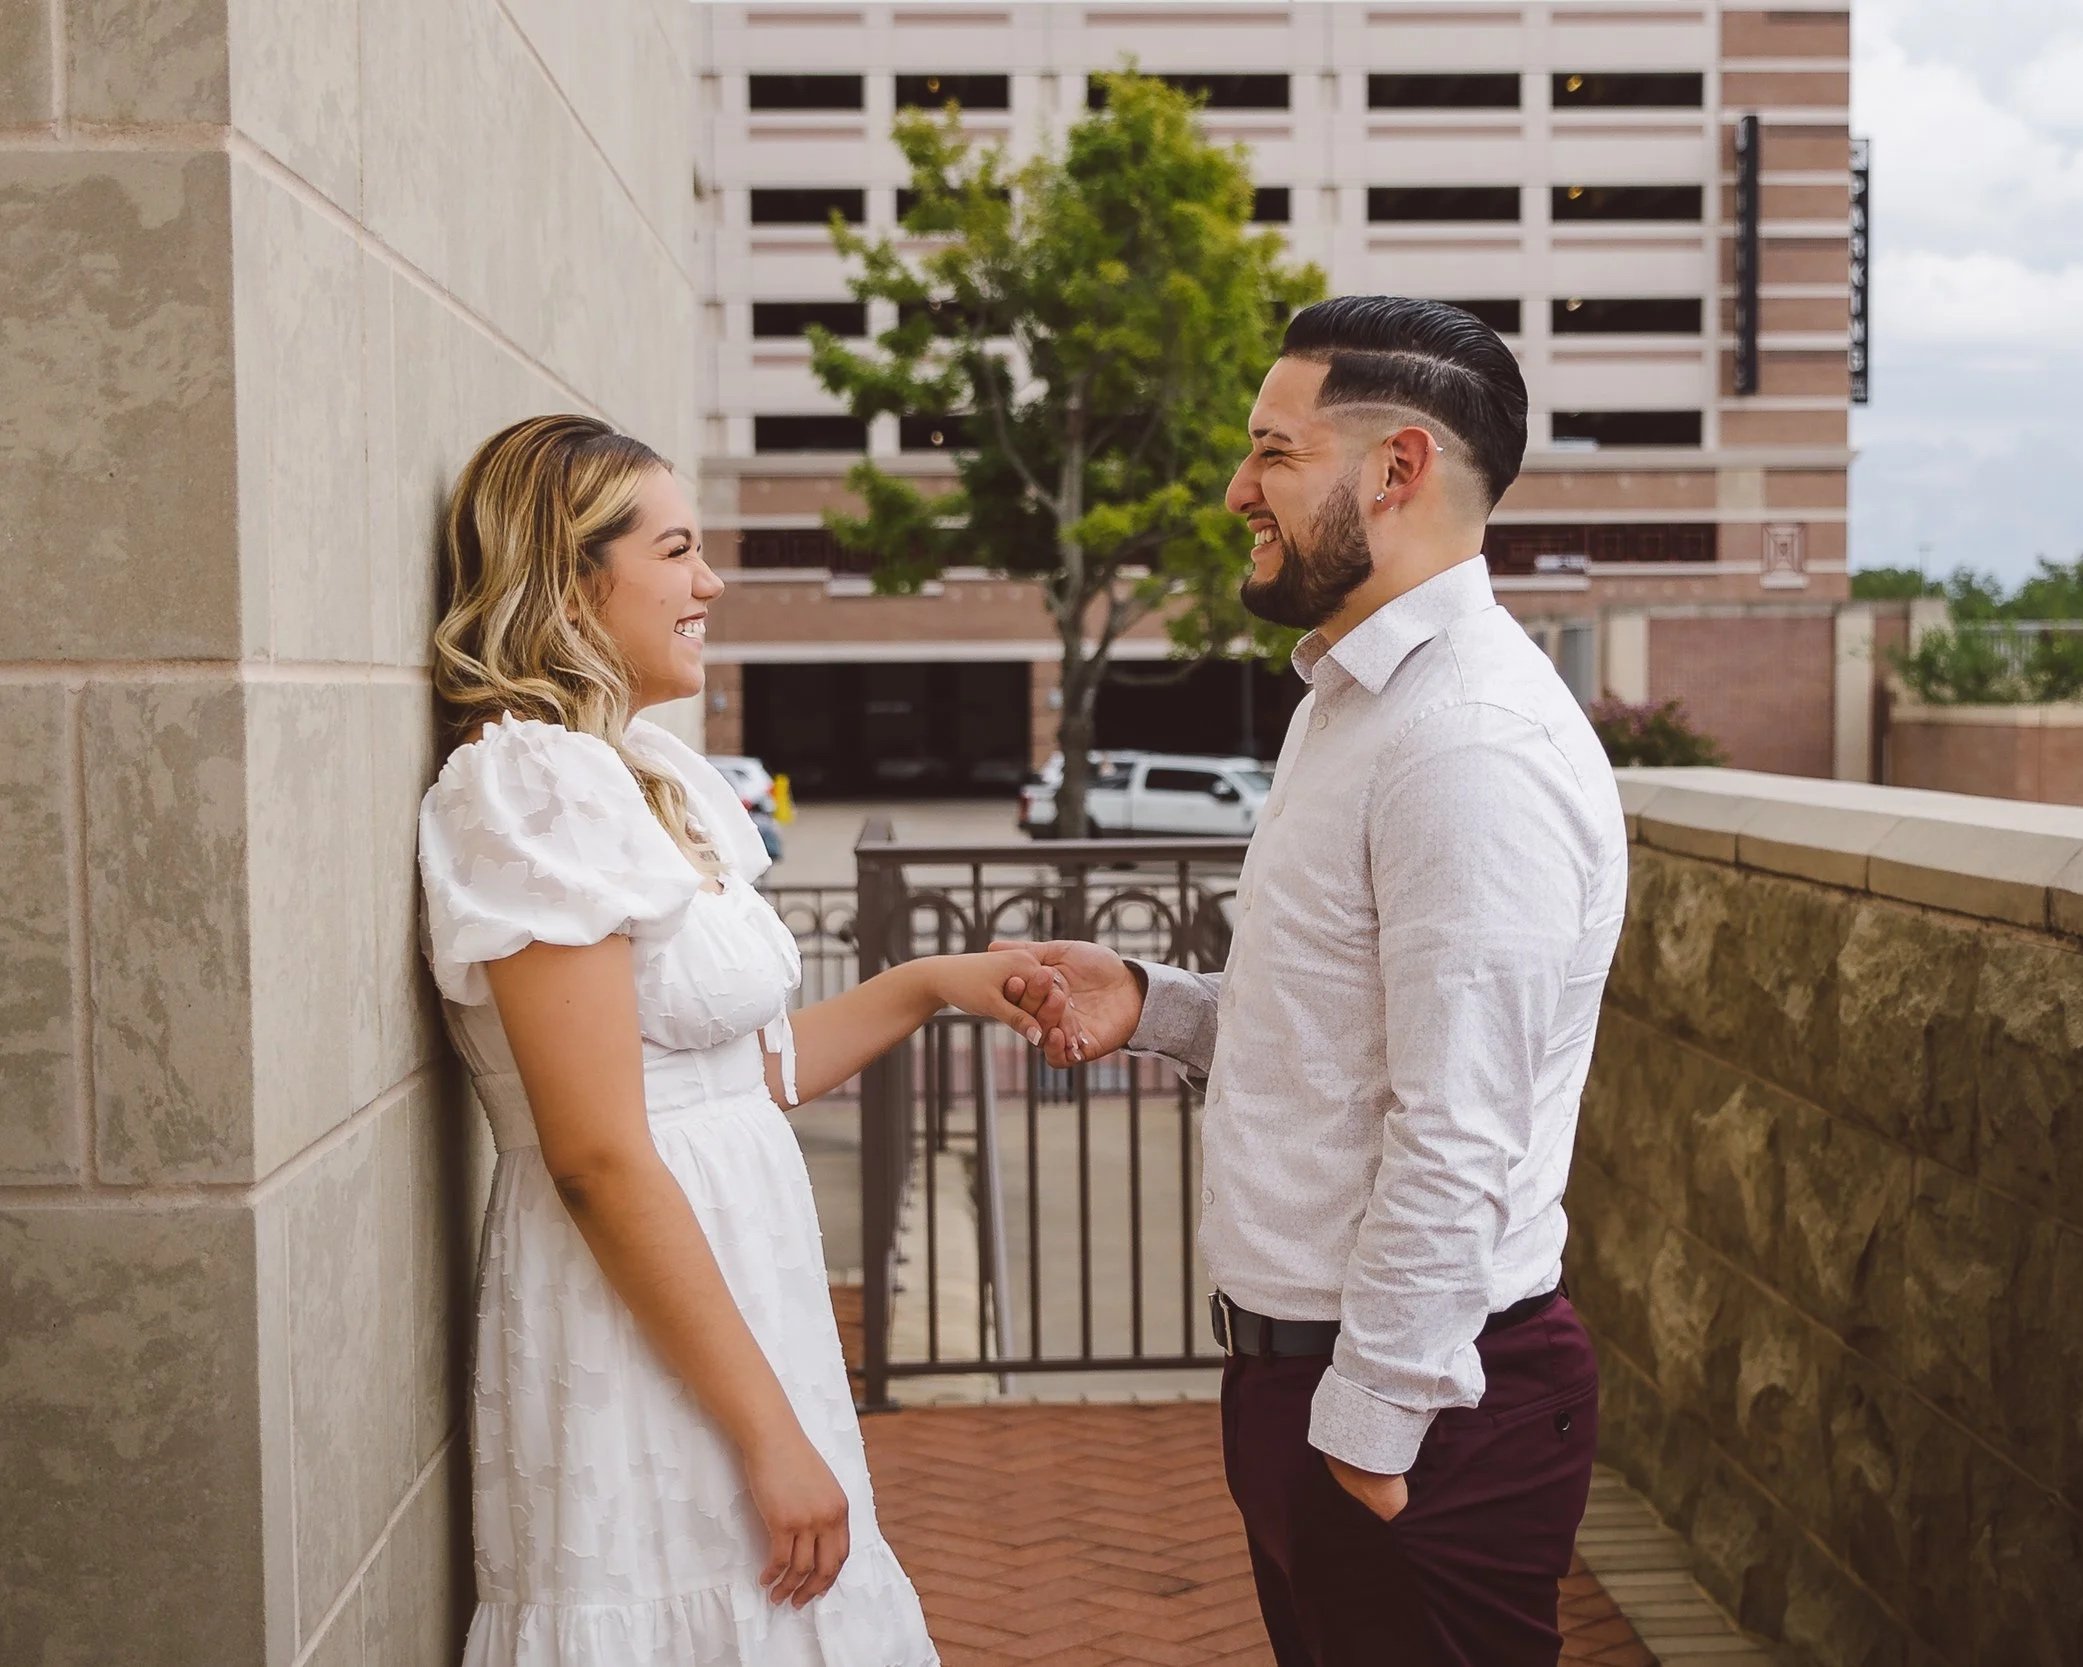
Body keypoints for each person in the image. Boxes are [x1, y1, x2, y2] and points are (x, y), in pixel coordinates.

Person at [1001, 296, 1628, 1667]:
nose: (1236, 489)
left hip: (1416, 1410)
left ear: (1394, 467)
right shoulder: (1351, 701)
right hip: (1320, 1387)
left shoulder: (1466, 742)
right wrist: (1151, 1001)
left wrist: (1366, 1431)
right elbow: (1347, 1037)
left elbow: (1458, 1124)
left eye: (1270, 452)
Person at [418, 414, 1064, 1666]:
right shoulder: (528, 784)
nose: (709, 582)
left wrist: (933, 983)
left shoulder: (646, 769)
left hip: (736, 1293)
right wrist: (767, 1430)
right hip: (636, 1323)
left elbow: (742, 1077)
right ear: (569, 574)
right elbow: (600, 1154)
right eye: (676, 550)